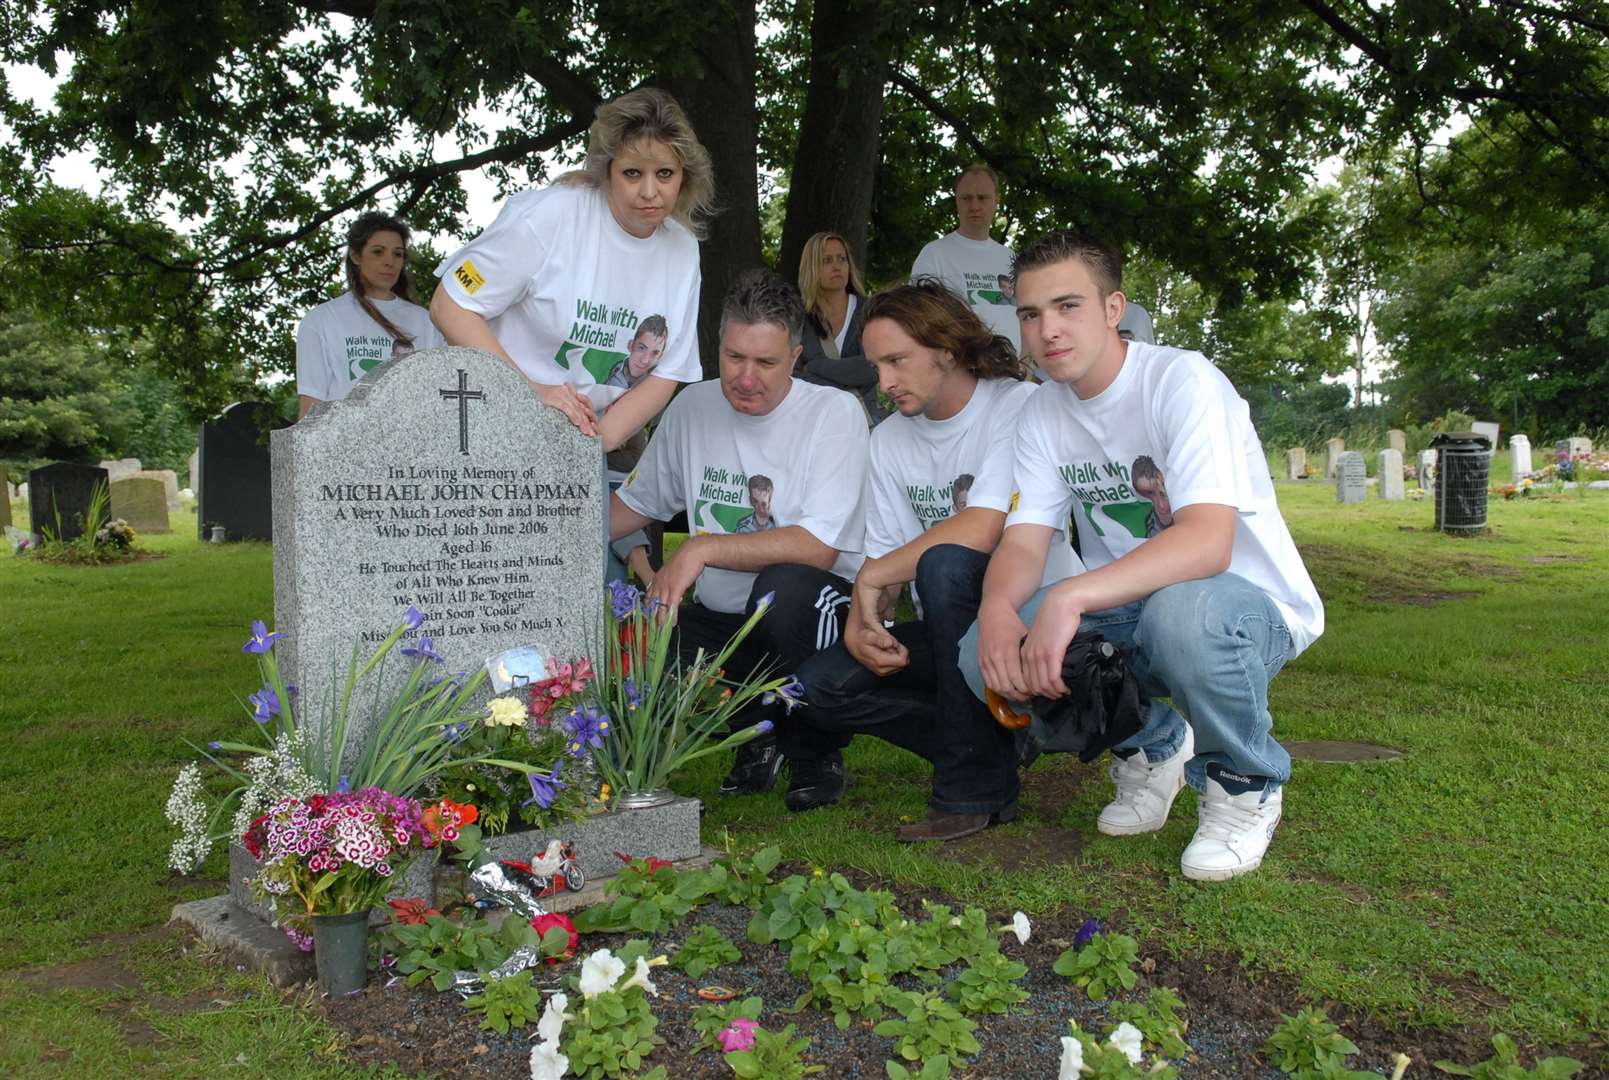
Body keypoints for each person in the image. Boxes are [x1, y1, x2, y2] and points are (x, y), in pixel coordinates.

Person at [962, 229, 1324, 881]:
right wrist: (994, 607)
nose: (1047, 330)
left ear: (1112, 309)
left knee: (1180, 616)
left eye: (1067, 306)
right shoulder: (1042, 411)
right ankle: (1152, 748)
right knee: (978, 654)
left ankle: (1244, 784)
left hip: (1240, 606)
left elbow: (1207, 541)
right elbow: (1024, 537)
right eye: (1030, 313)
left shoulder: (1181, 380)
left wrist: (1070, 596)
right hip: (1136, 606)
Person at [788, 282, 1078, 837]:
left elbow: (985, 525)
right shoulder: (891, 440)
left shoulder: (1017, 405)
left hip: (1032, 621)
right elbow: (884, 558)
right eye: (876, 364)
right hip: (949, 635)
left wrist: (876, 575)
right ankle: (997, 738)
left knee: (944, 562)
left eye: (897, 360)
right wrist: (865, 622)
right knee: (818, 687)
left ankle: (972, 791)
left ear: (946, 349)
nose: (885, 381)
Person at [610, 270, 870, 797]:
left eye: (766, 362)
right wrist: (535, 536)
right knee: (653, 632)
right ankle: (754, 736)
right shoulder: (691, 407)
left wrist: (701, 548)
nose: (746, 378)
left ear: (796, 357)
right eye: (734, 358)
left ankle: (815, 750)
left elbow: (817, 548)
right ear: (718, 346)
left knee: (786, 590)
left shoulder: (834, 414)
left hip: (822, 612)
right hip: (724, 619)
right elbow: (632, 507)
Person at [431, 88, 713, 452]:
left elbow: (667, 372)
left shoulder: (683, 250)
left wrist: (594, 444)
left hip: (578, 443)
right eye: (632, 173)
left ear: (684, 177)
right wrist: (530, 394)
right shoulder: (548, 217)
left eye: (664, 174)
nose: (649, 191)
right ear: (607, 171)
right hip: (484, 429)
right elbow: (450, 305)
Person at [296, 212, 442, 419]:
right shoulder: (321, 320)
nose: (389, 262)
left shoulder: (425, 321)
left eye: (397, 254)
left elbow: (435, 395)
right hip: (345, 442)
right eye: (378, 252)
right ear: (356, 255)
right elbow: (311, 404)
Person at [911, 163, 1019, 351]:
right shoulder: (934, 255)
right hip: (962, 373)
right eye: (966, 198)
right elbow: (920, 321)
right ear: (957, 200)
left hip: (1014, 374)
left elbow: (1028, 315)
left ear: (996, 200)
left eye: (982, 198)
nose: (974, 206)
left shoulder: (1012, 259)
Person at [796, 231, 879, 420]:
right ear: (811, 268)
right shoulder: (798, 318)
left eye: (842, 259)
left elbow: (872, 368)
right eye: (827, 260)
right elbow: (793, 377)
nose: (837, 266)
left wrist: (815, 366)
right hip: (814, 419)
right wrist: (848, 373)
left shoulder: (870, 310)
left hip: (865, 420)